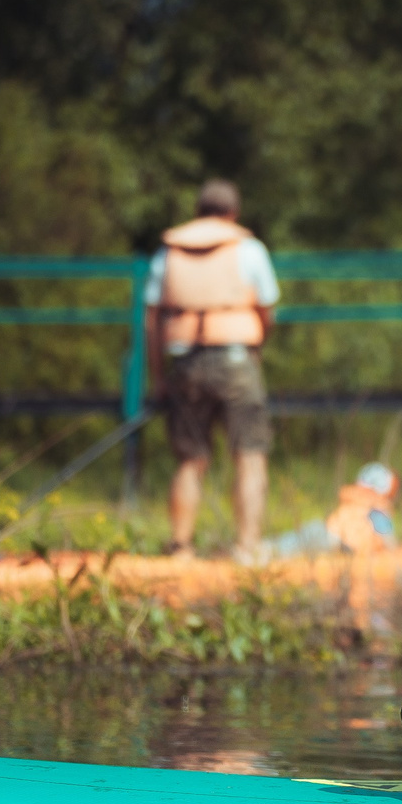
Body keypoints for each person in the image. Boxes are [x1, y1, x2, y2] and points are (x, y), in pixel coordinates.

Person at [145, 181, 279, 562]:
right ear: (233, 213)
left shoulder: (166, 254)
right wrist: (257, 345)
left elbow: (151, 321)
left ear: (198, 209)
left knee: (190, 459)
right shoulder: (249, 249)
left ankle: (181, 547)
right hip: (237, 357)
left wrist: (158, 378)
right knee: (250, 455)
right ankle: (247, 547)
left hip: (185, 359)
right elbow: (267, 309)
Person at [268, 462, 401, 558]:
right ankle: (263, 551)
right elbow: (388, 540)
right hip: (332, 540)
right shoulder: (378, 509)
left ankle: (263, 550)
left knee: (293, 541)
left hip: (326, 533)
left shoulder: (356, 499)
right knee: (292, 543)